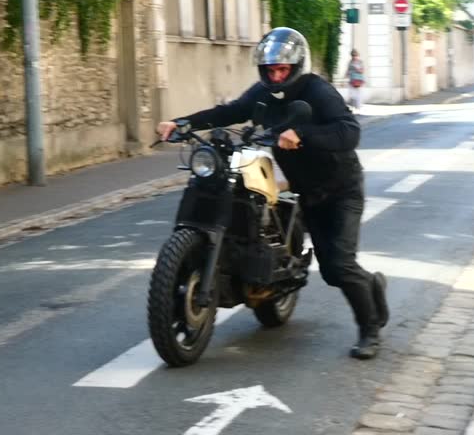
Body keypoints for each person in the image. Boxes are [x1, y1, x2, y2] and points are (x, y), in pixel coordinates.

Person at [156, 27, 390, 359]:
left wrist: (303, 134)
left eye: (282, 70)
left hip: (340, 190)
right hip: (306, 190)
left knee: (337, 267)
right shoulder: (264, 94)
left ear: (296, 67)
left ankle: (370, 330)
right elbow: (231, 111)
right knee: (248, 194)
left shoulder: (318, 92)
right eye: (270, 71)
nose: (277, 76)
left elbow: (348, 132)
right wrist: (182, 123)